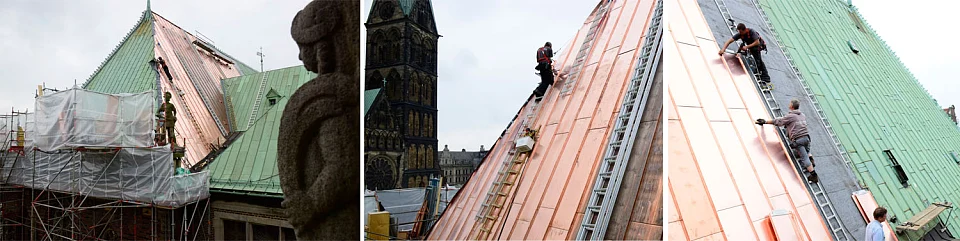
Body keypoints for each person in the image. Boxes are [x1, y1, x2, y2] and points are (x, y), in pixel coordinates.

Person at [756, 99, 817, 183]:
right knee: (807, 151)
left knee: (804, 158)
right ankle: (811, 160)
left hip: (798, 140)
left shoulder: (791, 116)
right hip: (806, 138)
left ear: (791, 106)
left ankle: (813, 175)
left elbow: (779, 121)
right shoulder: (802, 115)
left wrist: (765, 121)